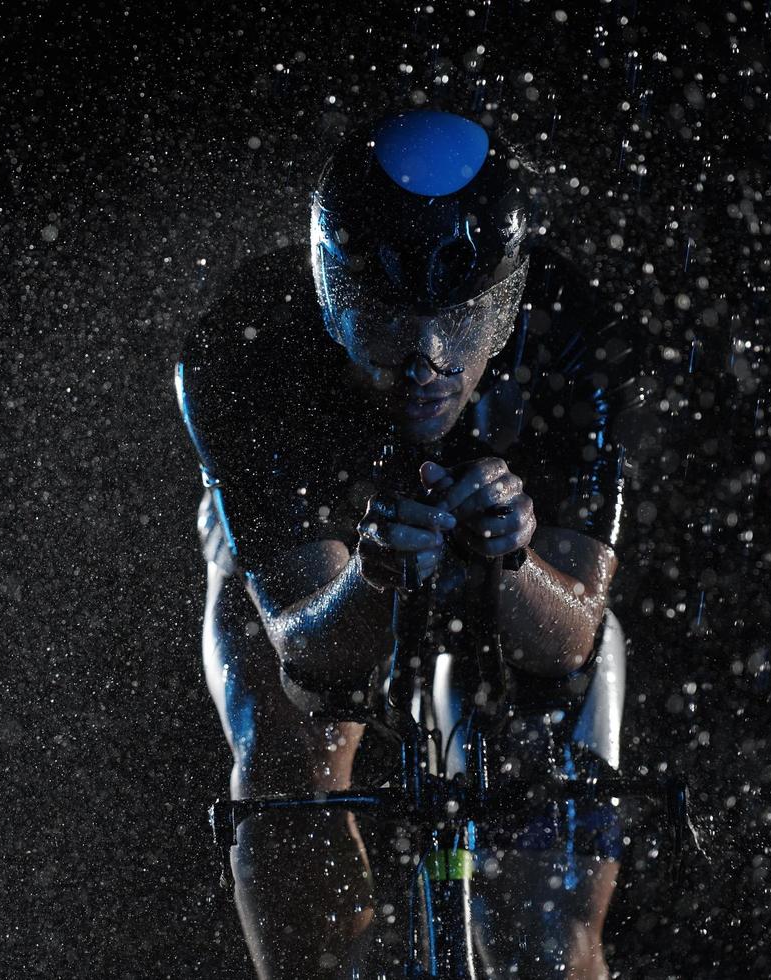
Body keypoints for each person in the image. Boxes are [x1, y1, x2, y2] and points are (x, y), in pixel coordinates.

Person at [174, 108, 653, 979]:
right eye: (388, 319)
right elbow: (315, 663)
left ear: (507, 302)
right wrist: (370, 580)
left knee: (548, 945)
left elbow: (569, 639)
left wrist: (511, 554)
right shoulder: (249, 350)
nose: (427, 358)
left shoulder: (578, 331)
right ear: (331, 297)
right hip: (322, 582)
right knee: (295, 758)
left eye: (461, 319)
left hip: (500, 574)